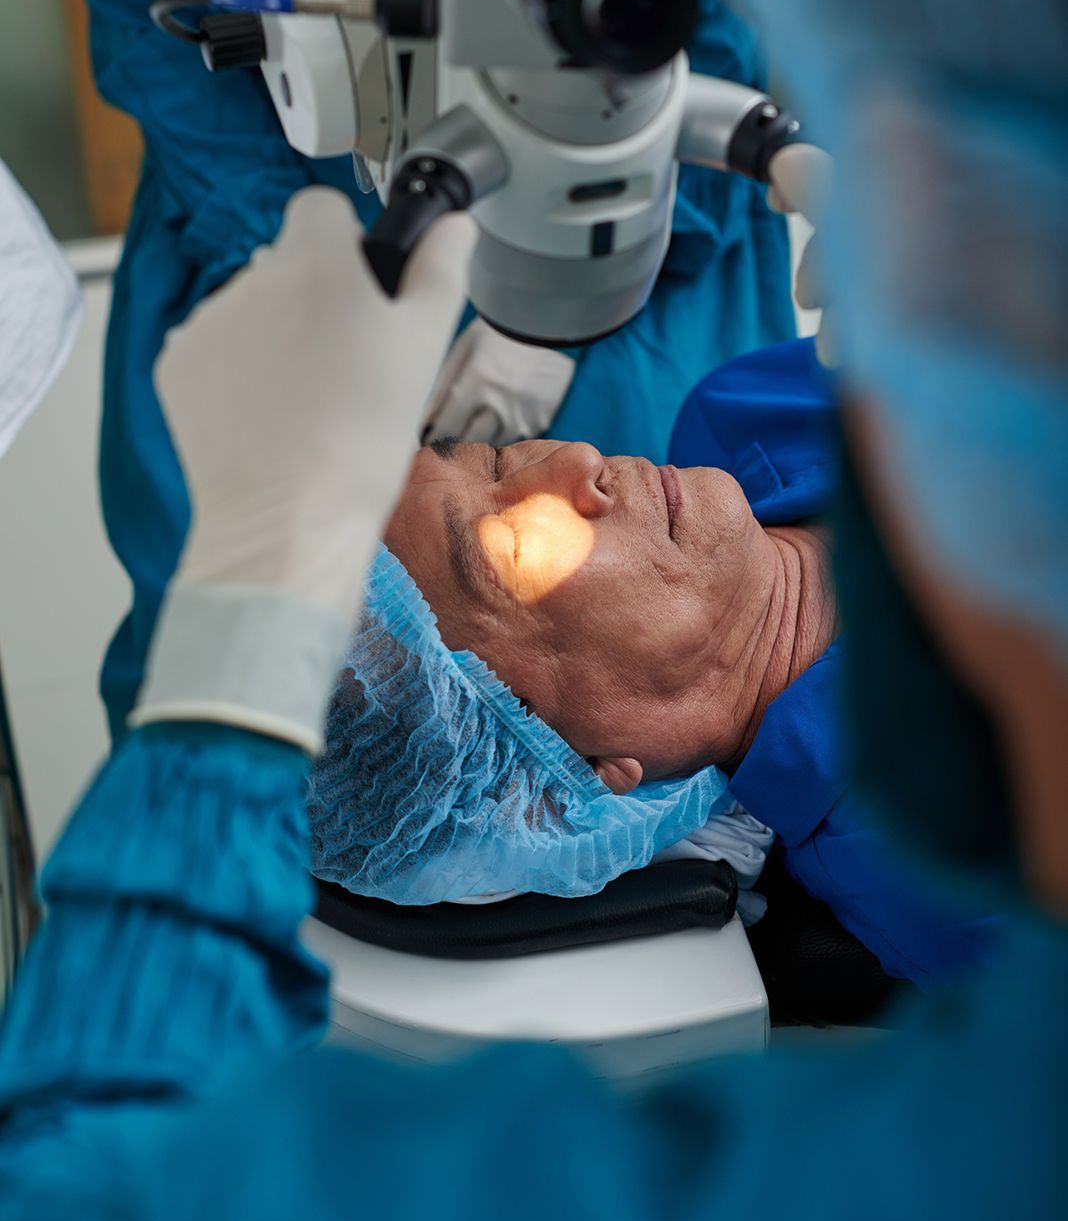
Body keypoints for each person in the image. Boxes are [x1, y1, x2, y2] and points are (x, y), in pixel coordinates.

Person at [1, 0, 1065, 1221]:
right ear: (596, 781)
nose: (565, 466)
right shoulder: (940, 891)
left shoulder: (735, 430)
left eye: (491, 458)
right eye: (513, 549)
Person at [14, 0, 798, 743]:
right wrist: (291, 266)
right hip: (260, 253)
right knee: (234, 743)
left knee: (655, 690)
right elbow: (141, 5)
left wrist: (553, 305)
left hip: (635, 255)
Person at [310, 337, 992, 987]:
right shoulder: (949, 869)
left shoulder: (738, 411)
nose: (578, 459)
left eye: (495, 460)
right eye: (510, 548)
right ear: (566, 766)